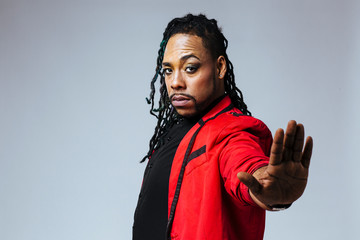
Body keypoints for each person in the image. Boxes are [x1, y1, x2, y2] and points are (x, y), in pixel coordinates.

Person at [133, 14, 313, 240]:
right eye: (168, 70)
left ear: (219, 67)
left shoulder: (233, 131)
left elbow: (244, 164)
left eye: (190, 68)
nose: (175, 82)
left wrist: (268, 189)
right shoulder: (173, 132)